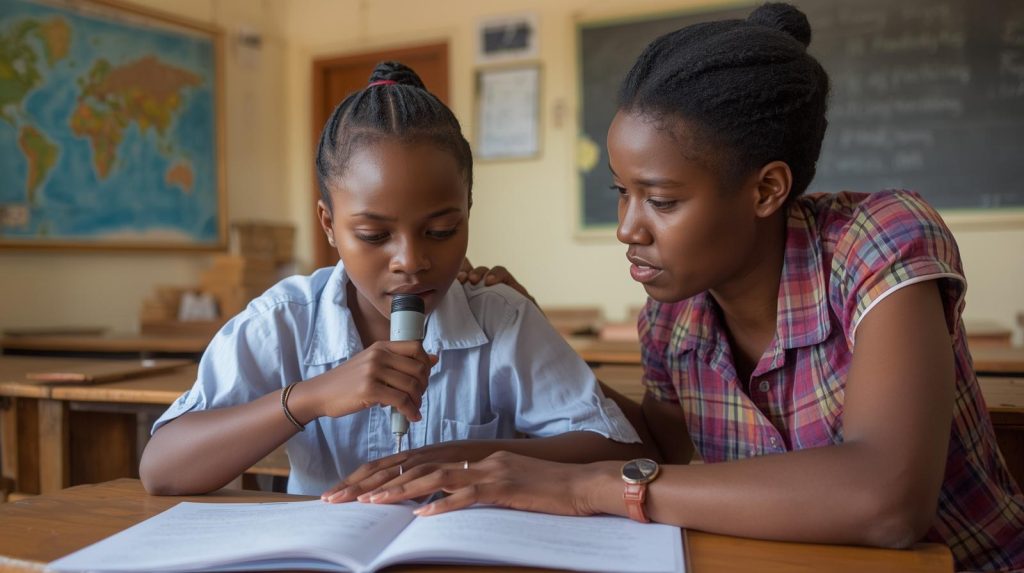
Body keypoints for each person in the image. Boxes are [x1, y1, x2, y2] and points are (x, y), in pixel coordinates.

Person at [345, 5, 1024, 571]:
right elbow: (659, 449)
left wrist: (582, 487)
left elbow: (886, 499)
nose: (626, 229)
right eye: (621, 193)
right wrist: (542, 344)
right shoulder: (675, 319)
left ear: (766, 189)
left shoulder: (879, 242)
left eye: (661, 201)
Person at [139, 62, 642, 498]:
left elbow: (619, 448)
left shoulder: (502, 318)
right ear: (329, 226)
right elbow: (162, 469)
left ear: (468, 212)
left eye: (441, 231)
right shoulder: (285, 321)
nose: (411, 260)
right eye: (374, 234)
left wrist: (461, 456)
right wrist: (310, 397)